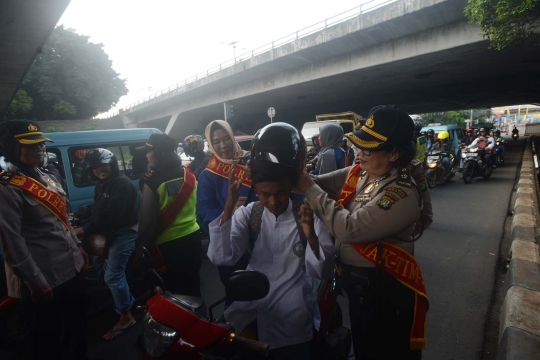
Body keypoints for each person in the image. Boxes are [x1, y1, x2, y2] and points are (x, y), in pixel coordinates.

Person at [296, 105, 428, 360]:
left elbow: (348, 228)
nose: (360, 152)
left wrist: (308, 188)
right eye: (359, 144)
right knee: (364, 347)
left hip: (384, 292)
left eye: (368, 147)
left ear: (393, 154)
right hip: (360, 288)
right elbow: (321, 182)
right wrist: (294, 175)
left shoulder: (400, 193)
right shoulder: (363, 173)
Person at [208, 123, 334, 360]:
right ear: (255, 188)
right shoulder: (249, 214)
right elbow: (223, 256)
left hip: (293, 321)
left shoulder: (307, 213)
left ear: (292, 186)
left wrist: (311, 237)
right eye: (265, 194)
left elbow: (322, 270)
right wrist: (228, 207)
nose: (273, 201)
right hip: (253, 314)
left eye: (281, 193)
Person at [0, 121, 88, 359]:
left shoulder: (45, 176)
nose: (39, 148)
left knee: (77, 331)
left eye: (40, 143)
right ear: (11, 147)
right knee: (47, 342)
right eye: (30, 145)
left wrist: (78, 247)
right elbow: (12, 241)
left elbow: (62, 220)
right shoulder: (7, 186)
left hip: (70, 267)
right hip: (43, 278)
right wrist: (35, 281)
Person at [75, 148, 139, 340]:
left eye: (103, 166)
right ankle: (113, 299)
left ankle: (126, 316)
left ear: (111, 165)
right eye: (95, 168)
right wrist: (86, 211)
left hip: (122, 232)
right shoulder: (101, 185)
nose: (99, 170)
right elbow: (100, 209)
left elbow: (112, 215)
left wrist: (84, 229)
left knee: (113, 274)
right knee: (98, 265)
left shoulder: (122, 183)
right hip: (106, 232)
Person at [136, 134, 202, 297]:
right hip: (193, 238)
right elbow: (196, 207)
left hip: (166, 247)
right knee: (193, 290)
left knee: (172, 295)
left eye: (149, 152)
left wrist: (139, 249)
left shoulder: (152, 182)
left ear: (159, 153)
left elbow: (147, 222)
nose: (146, 155)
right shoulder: (190, 175)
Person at [197, 120, 254, 286]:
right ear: (211, 144)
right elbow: (205, 213)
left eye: (226, 138)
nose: (223, 145)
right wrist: (230, 210)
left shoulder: (252, 162)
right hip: (232, 242)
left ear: (232, 137)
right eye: (216, 142)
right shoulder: (207, 176)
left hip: (263, 237)